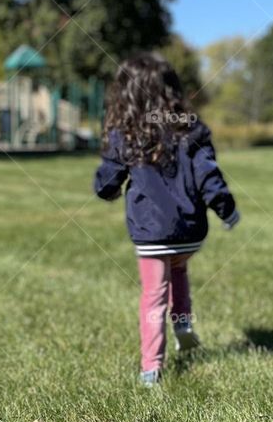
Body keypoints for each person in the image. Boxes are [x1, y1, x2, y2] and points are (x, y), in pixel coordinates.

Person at [93, 53, 239, 385]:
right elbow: (209, 176)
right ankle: (183, 322)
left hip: (152, 232)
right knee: (179, 269)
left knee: (154, 295)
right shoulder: (191, 129)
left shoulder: (126, 133)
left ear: (126, 94)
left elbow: (109, 179)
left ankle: (151, 368)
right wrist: (227, 209)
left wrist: (105, 189)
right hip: (190, 231)